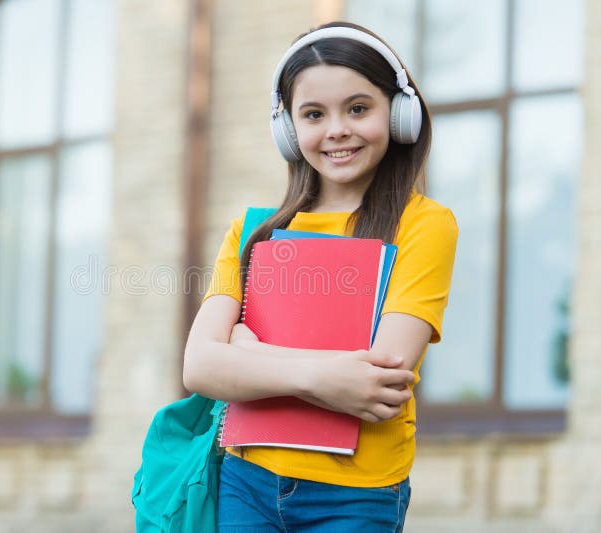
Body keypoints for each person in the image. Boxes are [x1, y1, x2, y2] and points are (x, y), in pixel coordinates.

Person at [182, 21, 458, 532]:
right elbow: (199, 367)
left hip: (356, 496)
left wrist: (250, 355)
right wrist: (322, 377)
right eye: (313, 114)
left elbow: (380, 386)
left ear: (399, 114)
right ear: (288, 129)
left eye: (358, 108)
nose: (336, 129)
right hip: (247, 480)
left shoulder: (425, 225)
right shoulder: (251, 234)